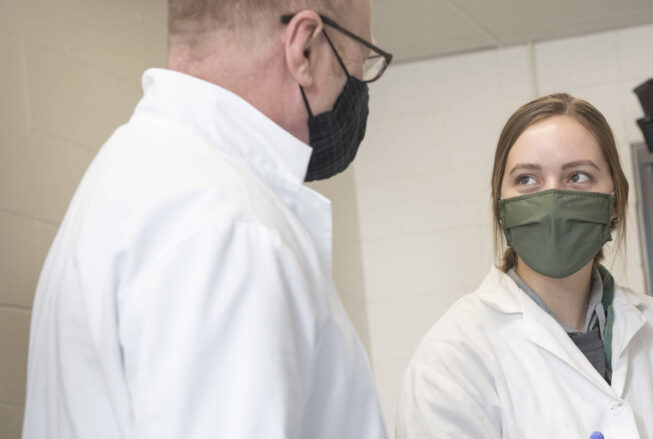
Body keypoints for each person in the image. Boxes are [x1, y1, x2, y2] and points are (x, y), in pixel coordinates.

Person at [22, 1, 390, 437]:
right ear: (304, 48)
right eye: (361, 60)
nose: (359, 85)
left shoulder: (133, 175)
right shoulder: (230, 228)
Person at [396, 93, 653, 438]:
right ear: (501, 208)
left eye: (577, 176)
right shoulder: (453, 356)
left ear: (615, 203)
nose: (551, 201)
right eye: (527, 179)